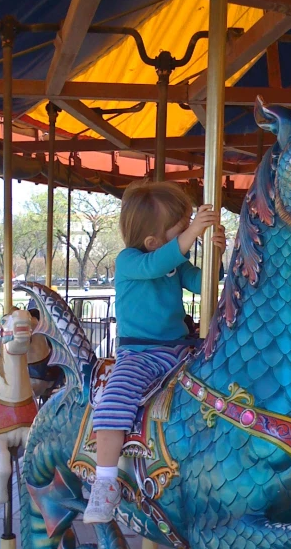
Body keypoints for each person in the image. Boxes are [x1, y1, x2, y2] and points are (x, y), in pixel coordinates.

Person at [83, 180, 226, 524]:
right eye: (180, 230)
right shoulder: (130, 261)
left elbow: (205, 281)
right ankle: (105, 483)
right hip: (141, 355)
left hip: (180, 350)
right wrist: (191, 233)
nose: (188, 237)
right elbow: (155, 266)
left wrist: (215, 253)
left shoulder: (173, 265)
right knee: (115, 401)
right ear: (153, 241)